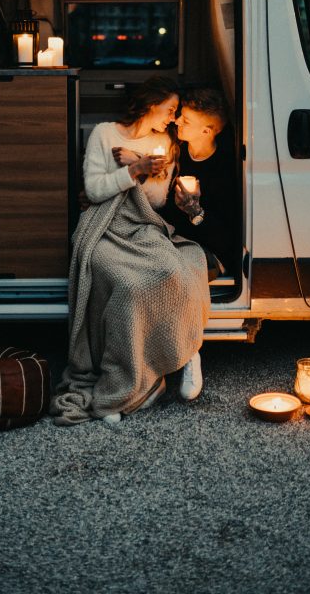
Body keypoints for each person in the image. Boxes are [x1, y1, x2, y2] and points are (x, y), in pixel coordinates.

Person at [50, 76, 211, 426]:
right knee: (126, 284)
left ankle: (183, 354)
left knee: (173, 270)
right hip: (104, 226)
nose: (173, 117)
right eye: (170, 109)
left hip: (141, 224)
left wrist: (144, 167)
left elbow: (155, 200)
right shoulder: (104, 134)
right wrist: (135, 169)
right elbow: (93, 189)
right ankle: (138, 380)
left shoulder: (164, 142)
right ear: (151, 103)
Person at [155, 87, 238, 400]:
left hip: (212, 247)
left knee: (177, 276)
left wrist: (196, 213)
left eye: (186, 120)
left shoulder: (226, 167)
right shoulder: (175, 148)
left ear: (207, 130)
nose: (178, 122)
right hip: (174, 237)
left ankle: (190, 355)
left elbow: (228, 239)